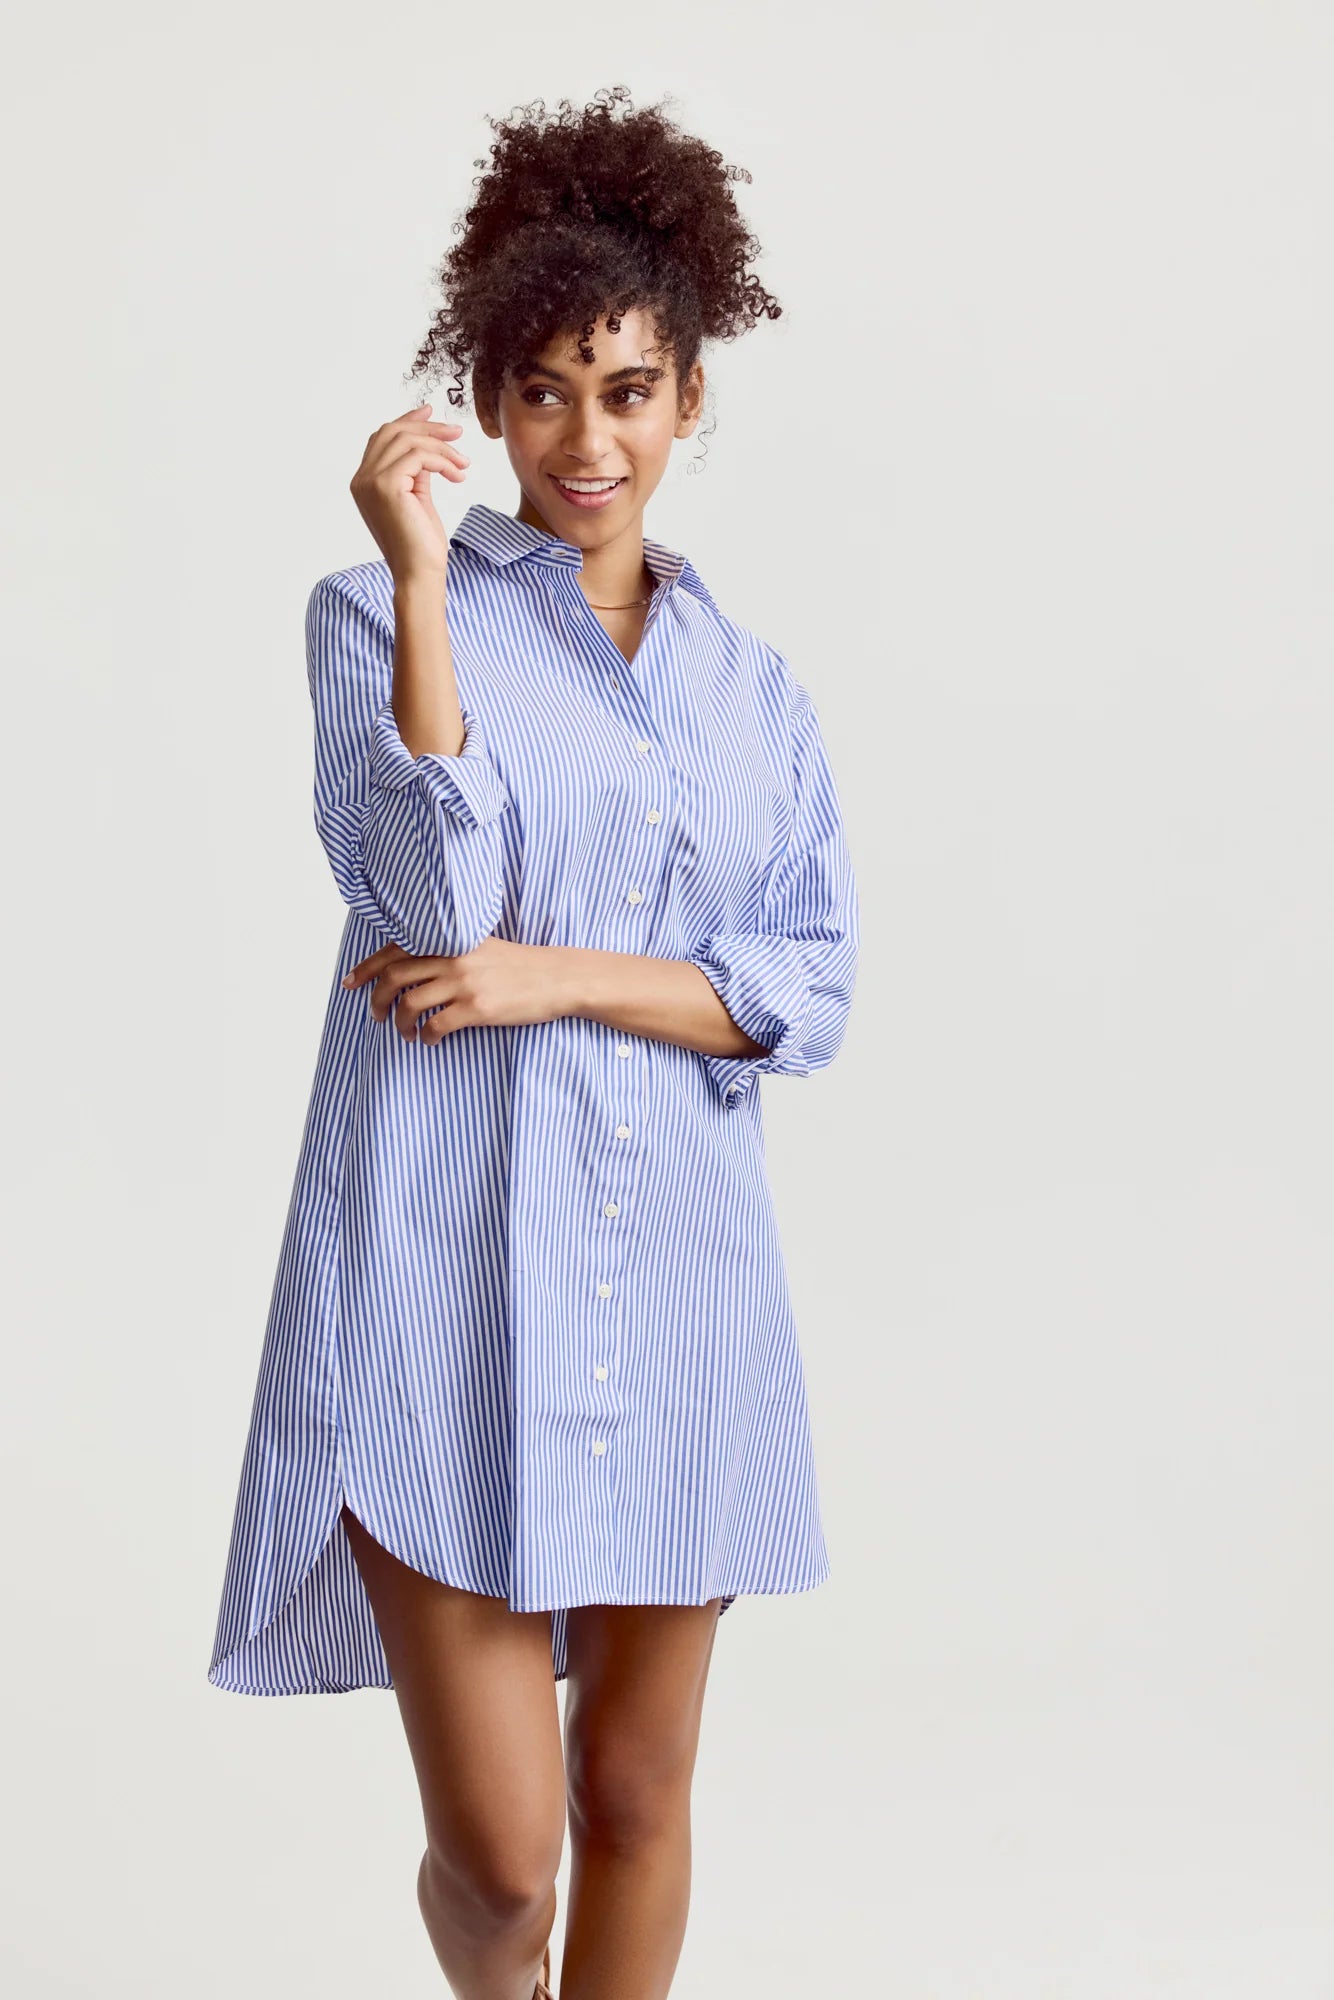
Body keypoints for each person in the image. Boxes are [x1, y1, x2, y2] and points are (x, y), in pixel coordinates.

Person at [207, 83, 860, 2000]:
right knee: (503, 1868)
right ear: (485, 399)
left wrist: (552, 976)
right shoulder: (372, 615)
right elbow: (421, 894)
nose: (591, 439)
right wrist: (421, 580)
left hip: (683, 1294)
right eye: (549, 390)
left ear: (689, 401)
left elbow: (806, 983)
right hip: (438, 1285)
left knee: (639, 1800)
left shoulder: (755, 692)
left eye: (631, 389)